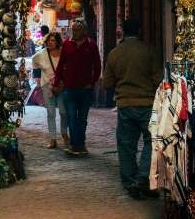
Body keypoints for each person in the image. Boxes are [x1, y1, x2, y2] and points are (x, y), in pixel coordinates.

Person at [102, 18, 163, 199]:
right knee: (151, 142)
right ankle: (142, 179)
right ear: (139, 31)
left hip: (125, 105)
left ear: (123, 31)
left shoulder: (115, 53)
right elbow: (158, 79)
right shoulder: (148, 50)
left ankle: (130, 183)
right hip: (147, 104)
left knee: (126, 146)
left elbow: (107, 83)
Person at [51, 19, 101, 157]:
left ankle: (81, 145)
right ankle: (74, 145)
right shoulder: (67, 44)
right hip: (70, 87)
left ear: (84, 31)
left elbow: (97, 66)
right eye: (74, 30)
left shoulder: (91, 45)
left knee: (82, 118)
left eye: (78, 30)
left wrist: (92, 82)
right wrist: (56, 83)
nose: (75, 32)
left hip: (85, 88)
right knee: (72, 117)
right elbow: (61, 65)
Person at [31, 32, 70, 149]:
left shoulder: (63, 53)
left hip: (61, 85)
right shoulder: (41, 54)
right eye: (49, 40)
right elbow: (34, 61)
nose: (50, 42)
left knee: (63, 111)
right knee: (51, 113)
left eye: (53, 40)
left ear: (58, 42)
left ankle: (64, 134)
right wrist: (39, 75)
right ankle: (53, 138)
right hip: (47, 85)